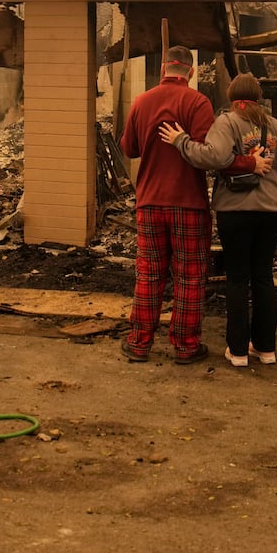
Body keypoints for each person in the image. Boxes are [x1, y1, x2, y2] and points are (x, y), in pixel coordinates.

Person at [159, 72, 277, 369]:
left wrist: (180, 141)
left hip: (236, 211)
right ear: (257, 96)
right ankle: (266, 349)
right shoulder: (276, 126)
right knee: (263, 277)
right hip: (273, 212)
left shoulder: (228, 122)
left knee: (237, 278)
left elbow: (214, 157)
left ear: (233, 97)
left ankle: (238, 352)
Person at [117, 45, 221, 364]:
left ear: (163, 70)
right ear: (190, 72)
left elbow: (129, 148)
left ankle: (139, 343)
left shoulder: (141, 101)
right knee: (189, 276)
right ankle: (186, 346)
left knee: (149, 274)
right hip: (188, 202)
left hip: (149, 201)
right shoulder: (198, 102)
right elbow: (207, 152)